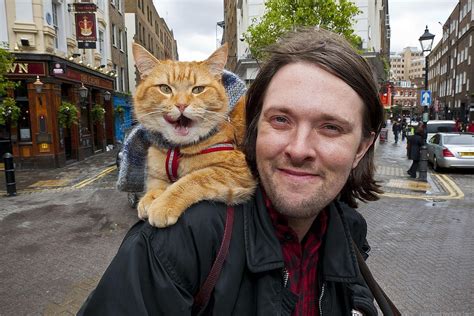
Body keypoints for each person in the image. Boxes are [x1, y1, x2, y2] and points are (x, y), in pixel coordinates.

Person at [78, 28, 384, 315]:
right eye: (280, 120)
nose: (299, 149)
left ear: (361, 148)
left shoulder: (350, 231)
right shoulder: (175, 244)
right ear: (253, 126)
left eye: (330, 127)